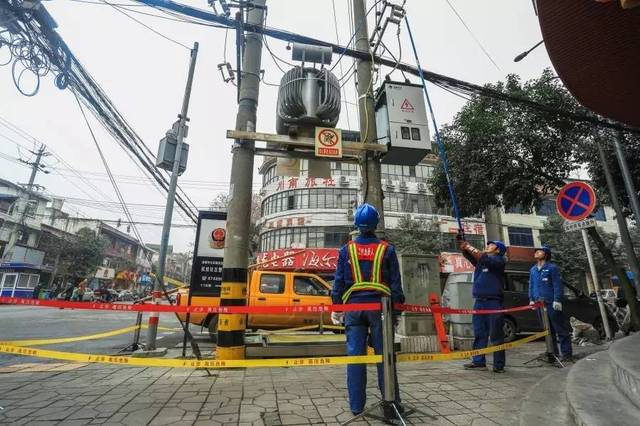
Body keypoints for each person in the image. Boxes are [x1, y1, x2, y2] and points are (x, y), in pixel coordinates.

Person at [331, 203, 405, 417]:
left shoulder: (347, 249)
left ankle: (356, 407)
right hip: (381, 308)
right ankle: (391, 406)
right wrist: (397, 311)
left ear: (356, 224)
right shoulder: (387, 249)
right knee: (385, 356)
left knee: (355, 356)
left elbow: (338, 283)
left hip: (354, 308)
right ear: (376, 224)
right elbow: (395, 285)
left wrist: (337, 308)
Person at [458, 236, 507, 373]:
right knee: (479, 332)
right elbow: (472, 257)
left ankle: (498, 365)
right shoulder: (482, 261)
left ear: (498, 250)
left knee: (496, 334)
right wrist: (463, 246)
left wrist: (469, 246)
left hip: (493, 302)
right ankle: (478, 361)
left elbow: (482, 257)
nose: (488, 245)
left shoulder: (498, 261)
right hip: (479, 302)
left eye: (491, 245)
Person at [529, 245, 573, 362]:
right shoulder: (533, 269)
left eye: (540, 251)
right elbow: (531, 285)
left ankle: (567, 354)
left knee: (560, 328)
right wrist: (531, 299)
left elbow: (557, 285)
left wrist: (557, 299)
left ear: (546, 254)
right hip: (539, 303)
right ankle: (552, 353)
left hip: (551, 303)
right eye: (536, 251)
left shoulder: (552, 268)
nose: (537, 252)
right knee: (547, 330)